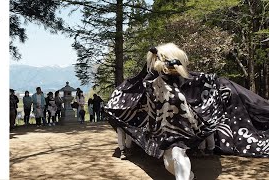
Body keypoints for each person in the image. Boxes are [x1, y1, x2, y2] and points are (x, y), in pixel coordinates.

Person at [105, 43, 269, 180]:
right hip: (162, 128)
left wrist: (170, 64)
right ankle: (188, 176)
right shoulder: (153, 83)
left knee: (178, 152)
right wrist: (156, 56)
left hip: (181, 126)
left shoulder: (184, 81)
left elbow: (196, 79)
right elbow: (147, 77)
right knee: (169, 159)